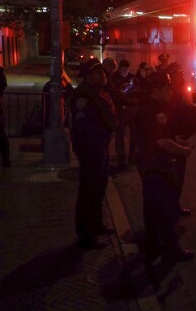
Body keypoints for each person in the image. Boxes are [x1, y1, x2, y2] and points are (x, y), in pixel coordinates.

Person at [133, 70, 195, 264]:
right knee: (166, 208)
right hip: (155, 165)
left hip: (147, 162)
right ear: (157, 90)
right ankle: (171, 250)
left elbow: (160, 136)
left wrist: (175, 140)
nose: (171, 91)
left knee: (152, 208)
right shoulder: (155, 112)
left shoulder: (149, 107)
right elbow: (161, 142)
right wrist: (183, 151)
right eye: (167, 87)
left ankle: (153, 245)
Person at [70, 58, 116, 249]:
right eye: (98, 73)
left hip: (100, 147)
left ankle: (97, 225)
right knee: (89, 191)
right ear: (88, 76)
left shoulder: (97, 92)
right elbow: (83, 127)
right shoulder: (83, 95)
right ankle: (86, 236)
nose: (102, 75)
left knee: (99, 188)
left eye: (103, 72)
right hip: (91, 150)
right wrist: (91, 148)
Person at [167, 61, 196, 217]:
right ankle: (171, 210)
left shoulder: (178, 92)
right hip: (174, 143)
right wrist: (174, 138)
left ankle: (175, 206)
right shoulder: (170, 95)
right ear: (172, 76)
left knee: (178, 178)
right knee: (173, 178)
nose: (182, 76)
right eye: (179, 74)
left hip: (180, 140)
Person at [111, 59, 136, 169]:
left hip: (131, 109)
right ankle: (121, 157)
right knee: (120, 134)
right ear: (119, 68)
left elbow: (137, 90)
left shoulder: (132, 77)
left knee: (134, 134)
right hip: (120, 110)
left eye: (127, 69)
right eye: (123, 69)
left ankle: (132, 157)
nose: (125, 71)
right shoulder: (114, 78)